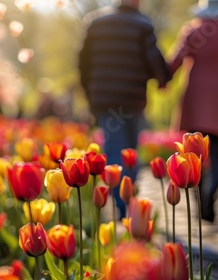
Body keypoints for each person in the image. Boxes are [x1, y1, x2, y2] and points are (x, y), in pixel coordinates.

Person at [78, 0, 170, 219]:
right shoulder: (142, 24)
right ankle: (125, 202)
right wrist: (163, 78)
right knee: (130, 150)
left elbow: (83, 63)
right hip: (132, 98)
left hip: (104, 99)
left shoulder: (95, 23)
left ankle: (121, 203)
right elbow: (153, 59)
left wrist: (89, 93)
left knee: (114, 146)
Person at [167, 0, 218, 222]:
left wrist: (163, 79)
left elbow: (176, 60)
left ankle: (200, 202)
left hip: (194, 98)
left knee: (193, 157)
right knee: (217, 155)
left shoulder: (192, 30)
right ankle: (210, 197)